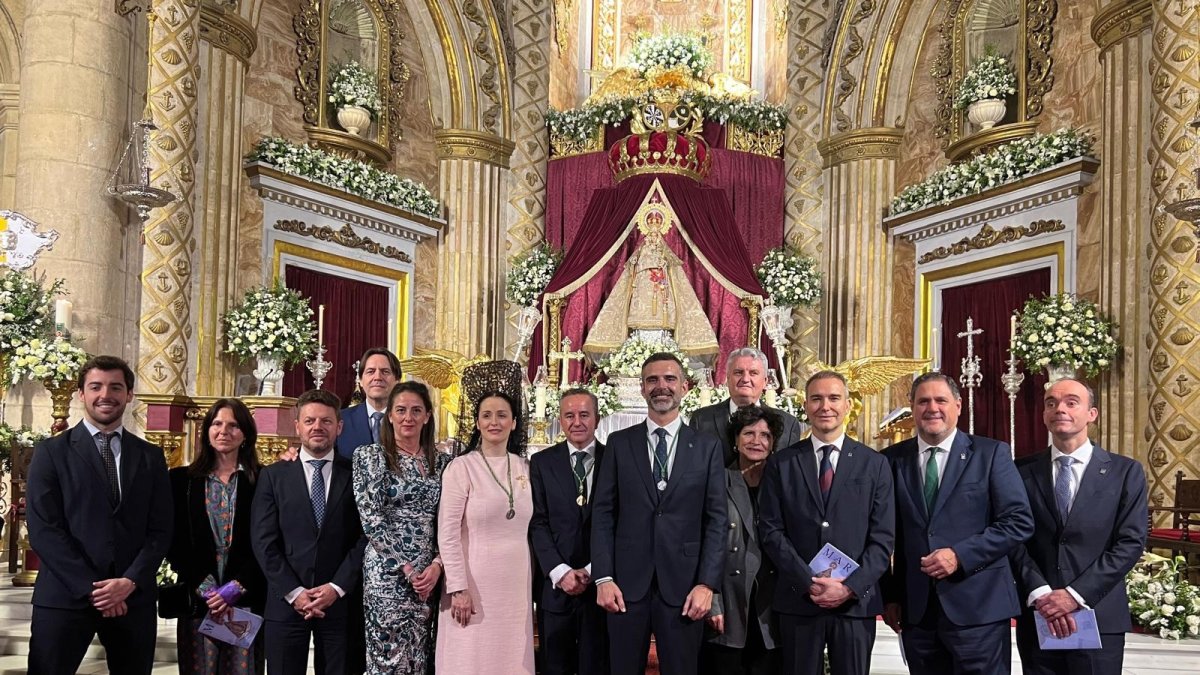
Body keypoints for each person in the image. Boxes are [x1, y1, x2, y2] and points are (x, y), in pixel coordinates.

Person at [25, 355, 172, 675]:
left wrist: (129, 581)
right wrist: (94, 589)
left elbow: (161, 530)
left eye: (116, 387)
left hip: (132, 599)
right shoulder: (51, 452)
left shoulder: (150, 456)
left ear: (129, 395)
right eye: (96, 386)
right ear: (81, 394)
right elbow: (44, 530)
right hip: (65, 597)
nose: (106, 395)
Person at [881, 372, 1033, 675]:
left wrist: (960, 555)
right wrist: (891, 596)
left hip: (980, 609)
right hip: (917, 611)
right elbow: (884, 535)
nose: (932, 408)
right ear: (911, 406)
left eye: (941, 400)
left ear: (958, 405)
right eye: (923, 401)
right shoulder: (890, 460)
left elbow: (1018, 521)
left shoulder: (990, 454)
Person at [591, 352, 726, 675]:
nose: (661, 386)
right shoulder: (619, 443)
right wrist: (604, 577)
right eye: (652, 379)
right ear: (641, 388)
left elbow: (717, 520)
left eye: (669, 379)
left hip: (684, 587)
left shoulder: (706, 447)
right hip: (626, 586)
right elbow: (603, 513)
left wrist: (707, 584)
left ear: (684, 387)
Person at [758, 371, 895, 675]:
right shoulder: (782, 463)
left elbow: (883, 538)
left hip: (855, 603)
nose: (825, 406)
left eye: (834, 398)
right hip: (799, 599)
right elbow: (770, 530)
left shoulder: (875, 464)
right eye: (817, 398)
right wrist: (808, 581)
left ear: (848, 405)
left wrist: (850, 587)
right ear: (805, 406)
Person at [1010, 378, 1148, 674]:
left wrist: (1073, 595)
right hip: (1039, 612)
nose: (1060, 409)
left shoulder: (1125, 472)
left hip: (1097, 613)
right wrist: (1041, 592)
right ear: (1044, 415)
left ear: (1092, 414)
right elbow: (1012, 537)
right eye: (1051, 403)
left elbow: (1130, 542)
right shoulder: (1019, 471)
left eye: (1071, 402)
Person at [252, 389, 365, 675]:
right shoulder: (273, 475)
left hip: (339, 604)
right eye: (310, 420)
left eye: (326, 421)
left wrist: (336, 587)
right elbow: (264, 541)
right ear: (297, 426)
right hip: (286, 604)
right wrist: (295, 592)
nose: (318, 427)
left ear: (339, 427)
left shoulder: (357, 475)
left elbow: (364, 536)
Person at [353, 381, 451, 674]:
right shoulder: (370, 456)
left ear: (428, 415)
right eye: (401, 410)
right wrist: (407, 569)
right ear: (390, 416)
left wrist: (436, 565)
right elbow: (372, 520)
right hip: (388, 573)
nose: (408, 417)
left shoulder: (443, 463)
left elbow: (449, 521)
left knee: (420, 655)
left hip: (428, 576)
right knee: (387, 656)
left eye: (416, 410)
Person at [436, 389, 535, 674]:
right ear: (477, 423)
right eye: (487, 415)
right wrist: (457, 587)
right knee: (470, 658)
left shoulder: (525, 467)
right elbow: (448, 532)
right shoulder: (461, 467)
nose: (495, 422)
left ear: (514, 422)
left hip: (515, 585)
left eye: (502, 415)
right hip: (472, 583)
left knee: (511, 660)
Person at [167, 398, 267, 674]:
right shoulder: (180, 481)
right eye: (217, 424)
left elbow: (268, 541)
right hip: (200, 600)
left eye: (234, 425)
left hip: (246, 600)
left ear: (246, 433)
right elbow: (174, 542)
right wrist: (210, 590)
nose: (224, 431)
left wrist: (234, 588)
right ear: (207, 431)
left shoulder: (264, 480)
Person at [530, 388, 609, 675]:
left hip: (601, 585)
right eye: (570, 415)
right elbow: (538, 522)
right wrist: (560, 571)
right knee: (555, 665)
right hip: (556, 586)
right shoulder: (541, 462)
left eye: (584, 415)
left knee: (596, 664)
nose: (577, 422)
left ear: (597, 419)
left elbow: (622, 522)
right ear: (560, 421)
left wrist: (593, 569)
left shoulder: (615, 458)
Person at [700, 405, 784, 675]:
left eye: (765, 435)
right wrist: (712, 601)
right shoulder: (716, 480)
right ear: (735, 440)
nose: (757, 441)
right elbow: (703, 541)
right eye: (748, 433)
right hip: (729, 600)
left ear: (773, 443)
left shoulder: (784, 482)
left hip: (773, 604)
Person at [689, 348, 803, 466]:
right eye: (738, 372)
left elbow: (790, 473)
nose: (745, 379)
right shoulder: (701, 419)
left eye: (753, 373)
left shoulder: (788, 424)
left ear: (765, 381)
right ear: (727, 379)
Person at [336, 348, 402, 459]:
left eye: (385, 372)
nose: (377, 377)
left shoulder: (408, 421)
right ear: (360, 380)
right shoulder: (340, 419)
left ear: (397, 380)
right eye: (370, 371)